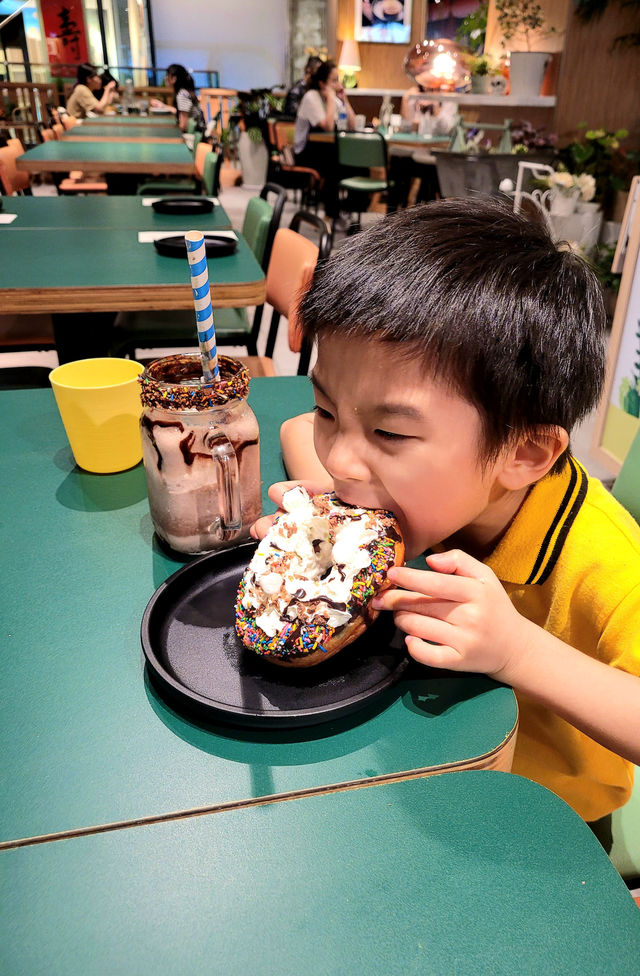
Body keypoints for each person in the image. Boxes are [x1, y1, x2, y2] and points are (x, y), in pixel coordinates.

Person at [252, 199, 640, 846]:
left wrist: (517, 649)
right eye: (329, 408)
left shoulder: (607, 562)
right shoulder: (429, 494)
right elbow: (295, 431)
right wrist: (323, 512)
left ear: (523, 453)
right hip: (420, 762)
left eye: (387, 432)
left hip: (545, 821)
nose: (342, 453)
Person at [293, 59, 356, 218]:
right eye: (333, 81)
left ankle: (349, 206)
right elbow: (328, 126)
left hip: (325, 150)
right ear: (322, 83)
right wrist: (330, 98)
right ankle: (333, 211)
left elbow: (352, 124)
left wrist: (344, 100)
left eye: (338, 80)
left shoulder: (334, 99)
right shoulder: (311, 97)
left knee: (357, 162)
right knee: (335, 161)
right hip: (304, 153)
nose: (338, 85)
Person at [150, 64, 205, 133]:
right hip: (196, 132)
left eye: (167, 75)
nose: (165, 78)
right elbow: (181, 112)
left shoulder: (182, 95)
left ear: (174, 78)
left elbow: (183, 125)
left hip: (192, 135)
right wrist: (163, 106)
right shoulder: (184, 92)